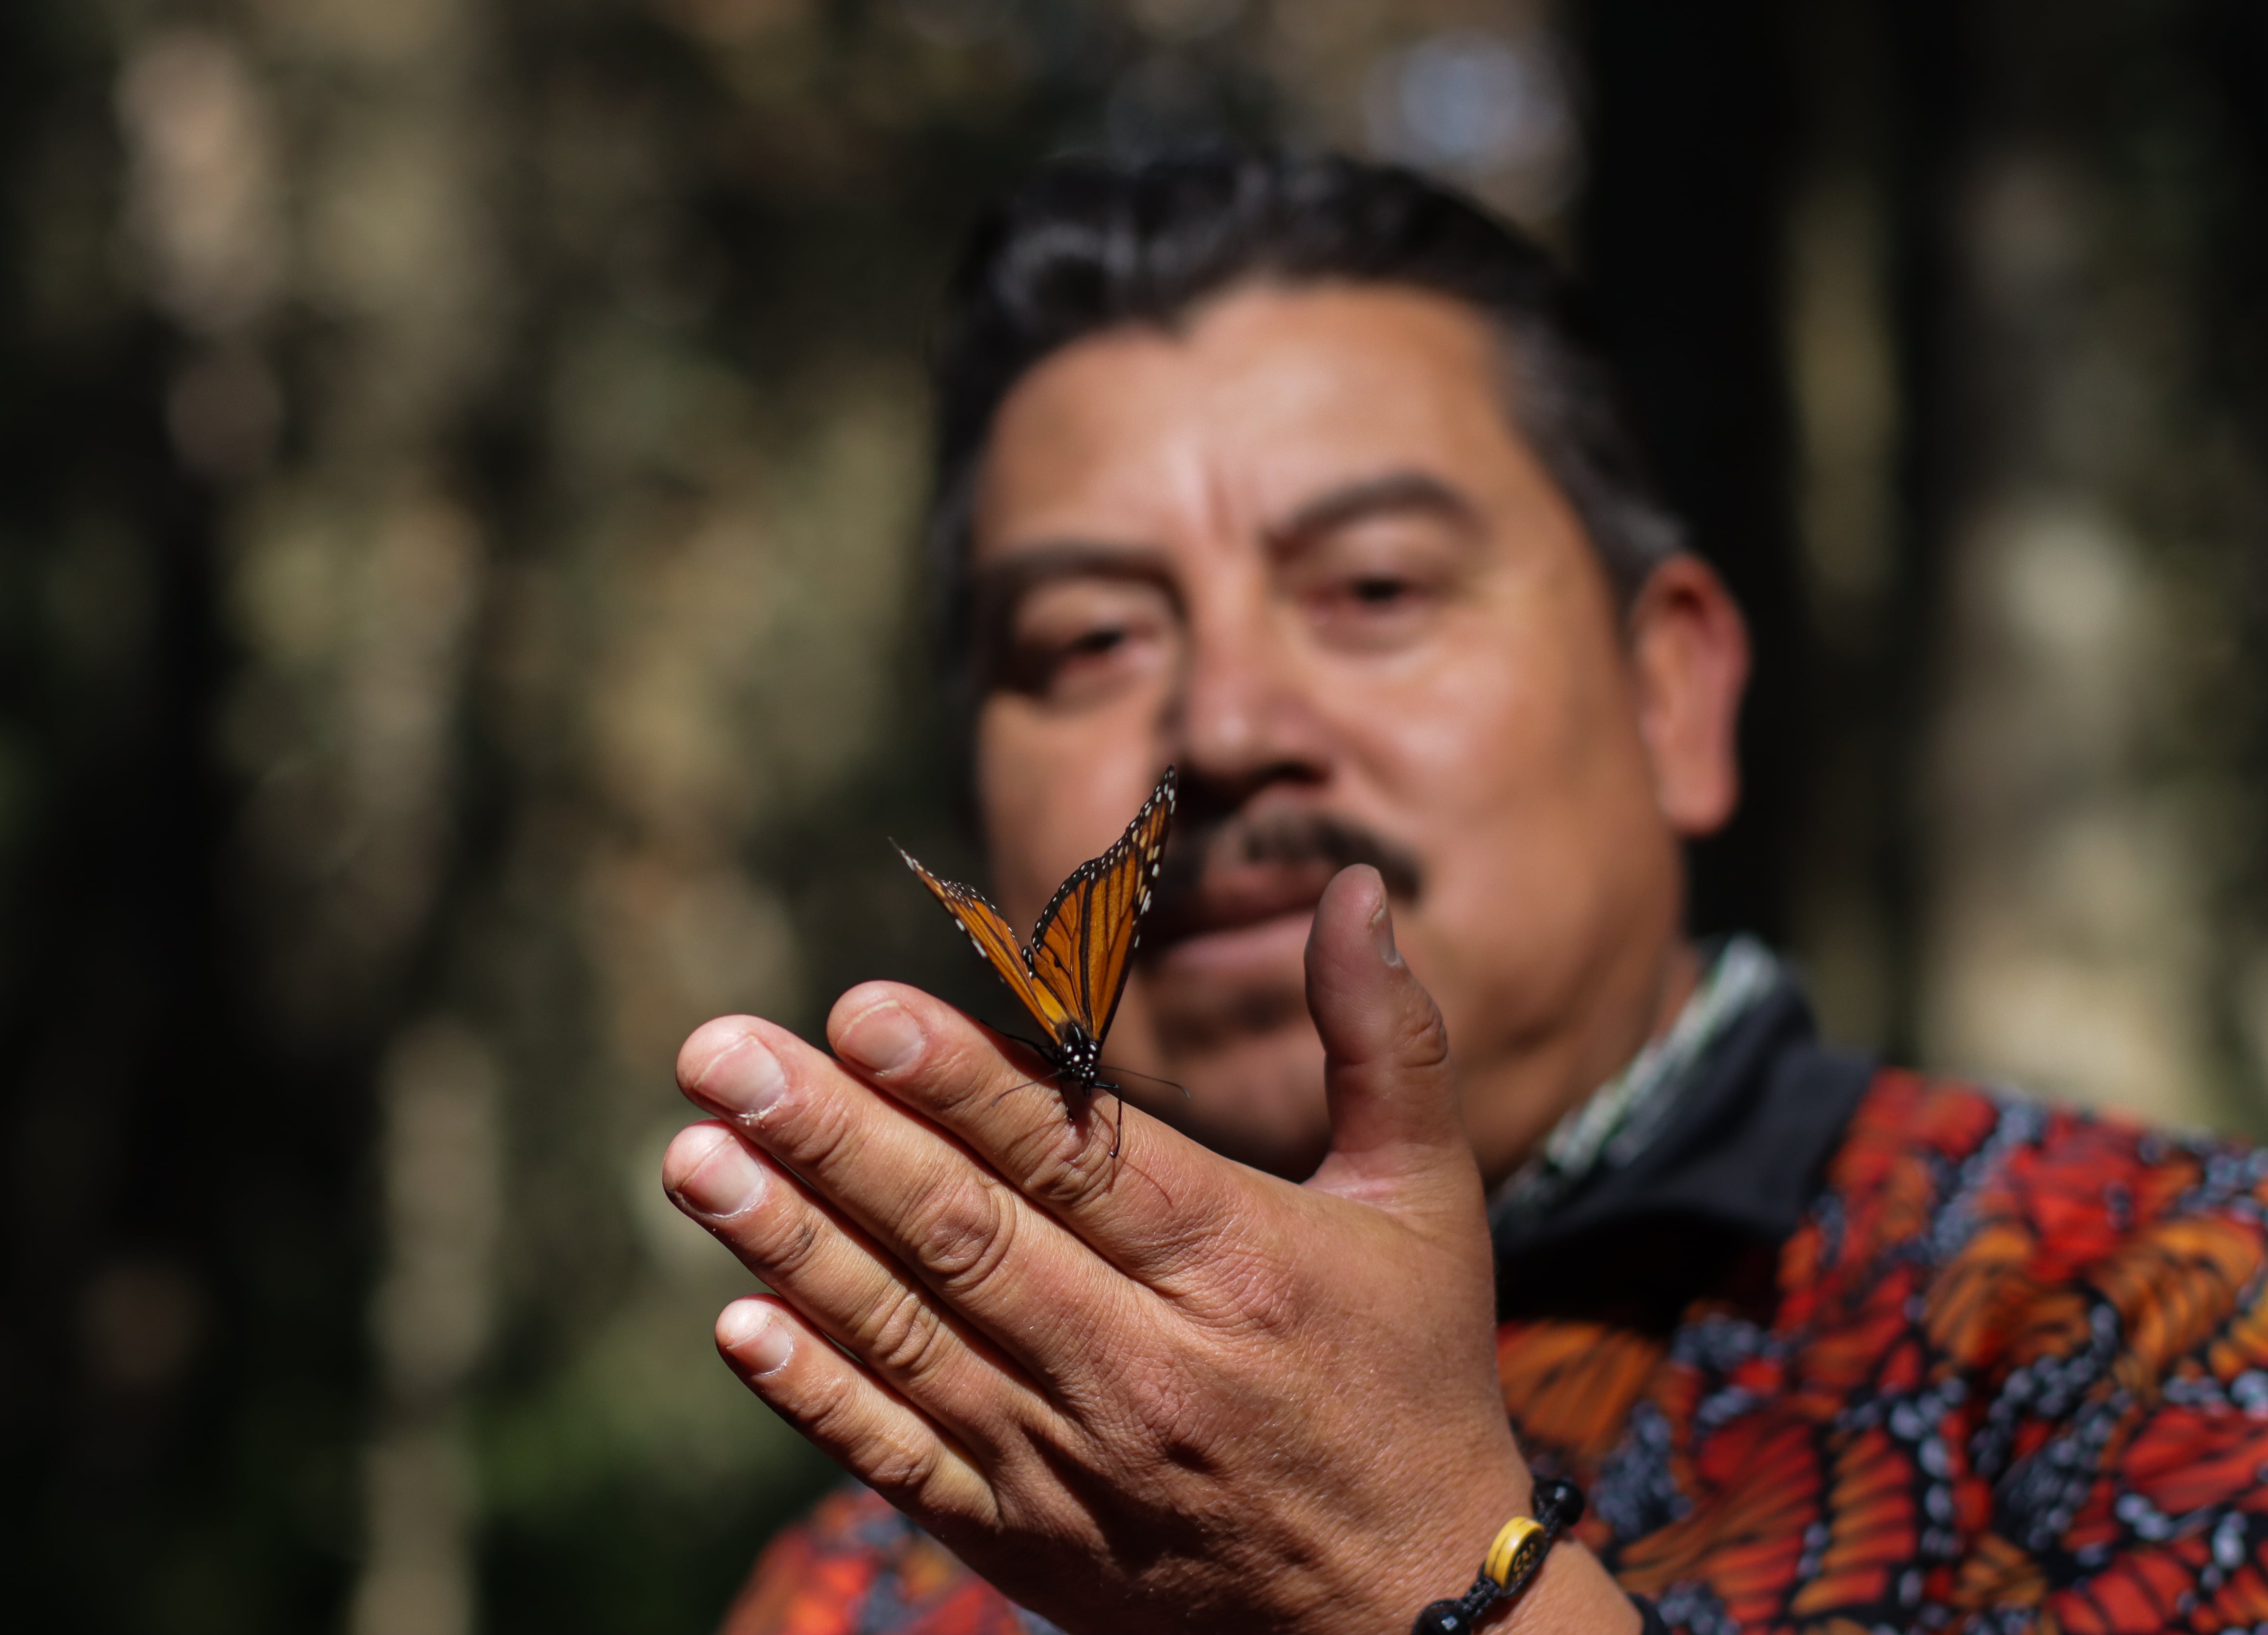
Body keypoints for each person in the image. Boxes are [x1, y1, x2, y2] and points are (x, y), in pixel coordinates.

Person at [658, 150, 2268, 1635]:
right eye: (1088, 641)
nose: (1221, 730)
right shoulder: (875, 1571)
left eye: (1373, 588)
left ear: (1674, 696)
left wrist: (1417, 1569)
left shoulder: (2171, 1323)